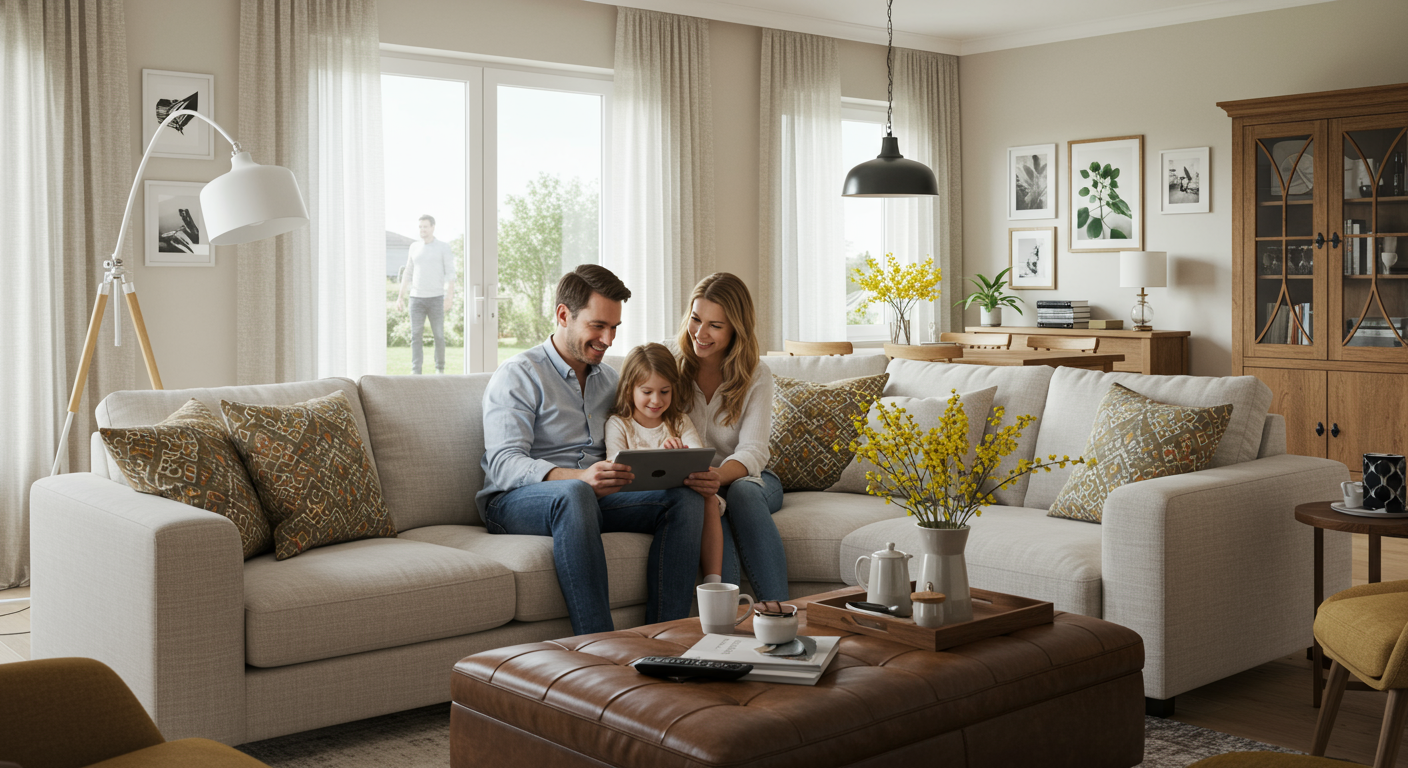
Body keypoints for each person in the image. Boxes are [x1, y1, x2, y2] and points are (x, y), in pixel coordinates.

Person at [477, 264, 711, 635]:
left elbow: (642, 430)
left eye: (615, 327)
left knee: (683, 498)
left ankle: (665, 638)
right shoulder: (519, 374)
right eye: (598, 326)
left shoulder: (612, 381)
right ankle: (600, 646)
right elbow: (505, 465)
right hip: (515, 502)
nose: (608, 339)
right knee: (575, 493)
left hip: (594, 496)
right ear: (563, 315)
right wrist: (580, 478)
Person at [674, 273, 789, 601]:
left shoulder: (756, 374)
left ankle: (780, 612)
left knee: (740, 493)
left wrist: (717, 476)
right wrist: (706, 484)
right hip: (698, 485)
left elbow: (754, 451)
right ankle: (725, 623)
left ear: (736, 328)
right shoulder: (672, 365)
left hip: (751, 478)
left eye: (715, 325)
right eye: (696, 319)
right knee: (711, 510)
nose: (700, 332)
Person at [605, 343, 725, 585]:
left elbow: (697, 457)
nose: (656, 400)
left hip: (680, 493)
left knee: (709, 498)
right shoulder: (619, 424)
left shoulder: (679, 421)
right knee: (688, 500)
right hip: (639, 500)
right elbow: (615, 465)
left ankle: (714, 582)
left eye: (665, 391)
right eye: (647, 392)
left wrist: (679, 451)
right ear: (630, 389)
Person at [396, 215, 456, 375]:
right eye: (420, 227)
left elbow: (451, 273)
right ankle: (416, 371)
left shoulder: (443, 247)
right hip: (416, 299)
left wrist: (449, 297)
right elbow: (408, 272)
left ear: (433, 227)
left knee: (439, 335)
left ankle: (440, 369)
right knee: (416, 335)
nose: (422, 230)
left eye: (425, 227)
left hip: (436, 299)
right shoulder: (414, 247)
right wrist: (400, 296)